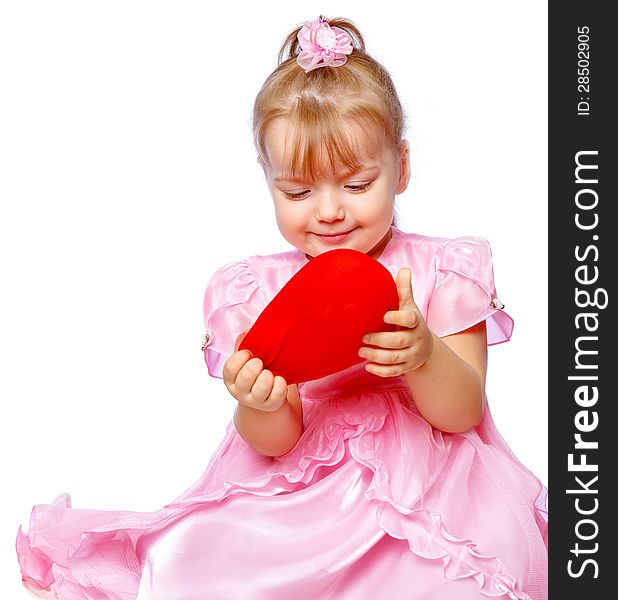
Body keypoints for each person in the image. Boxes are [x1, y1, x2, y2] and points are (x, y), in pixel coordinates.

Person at [16, 15, 548, 600]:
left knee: (449, 571)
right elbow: (272, 442)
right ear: (269, 181)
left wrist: (423, 356)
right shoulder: (255, 290)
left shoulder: (444, 269)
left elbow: (462, 412)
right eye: (297, 191)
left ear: (403, 167)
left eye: (356, 184)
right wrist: (259, 400)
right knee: (204, 556)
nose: (327, 211)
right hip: (300, 488)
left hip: (430, 485)